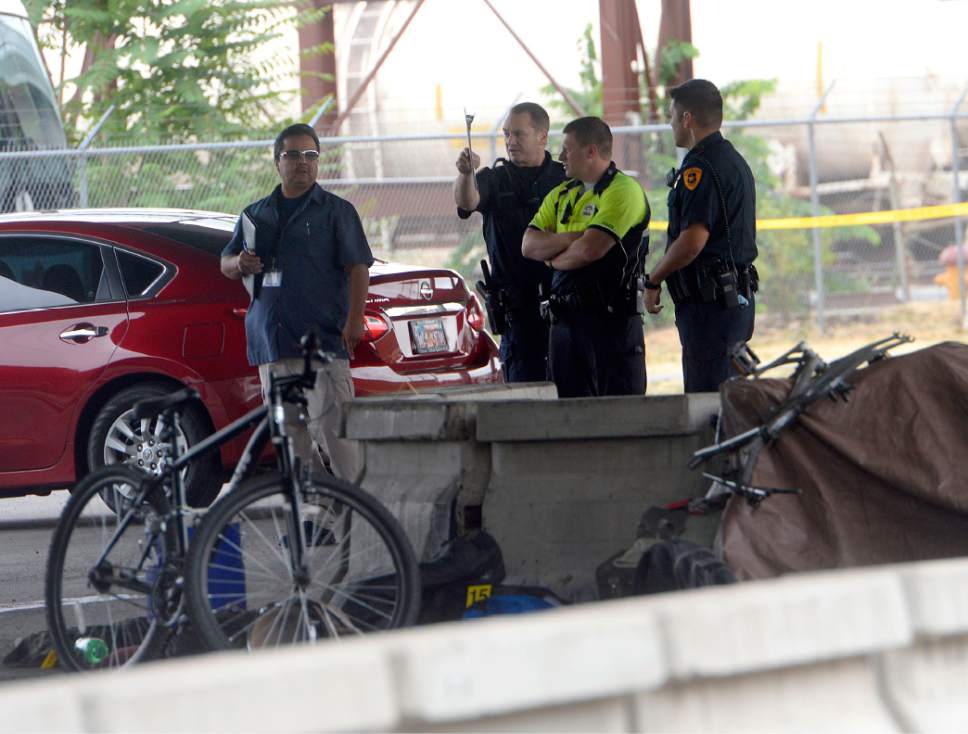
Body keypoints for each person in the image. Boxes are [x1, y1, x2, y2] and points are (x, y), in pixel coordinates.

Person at [221, 123, 373, 482]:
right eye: (292, 154)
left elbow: (358, 268)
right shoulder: (255, 214)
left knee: (338, 438)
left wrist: (354, 322)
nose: (302, 162)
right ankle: (319, 519)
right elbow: (225, 263)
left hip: (321, 344)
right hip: (271, 344)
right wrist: (239, 263)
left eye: (310, 155)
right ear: (277, 163)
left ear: (318, 162)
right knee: (292, 443)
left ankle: (363, 522)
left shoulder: (337, 212)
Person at [643, 79, 758, 394]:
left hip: (711, 310)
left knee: (708, 401)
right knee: (729, 396)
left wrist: (654, 279)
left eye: (671, 116)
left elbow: (692, 241)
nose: (670, 124)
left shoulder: (701, 168)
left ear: (687, 119)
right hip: (729, 302)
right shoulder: (731, 160)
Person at [522, 116, 650, 398]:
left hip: (610, 324)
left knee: (619, 416)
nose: (560, 156)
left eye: (567, 149)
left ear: (591, 151)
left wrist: (554, 259)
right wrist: (572, 237)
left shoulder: (623, 190)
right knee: (568, 417)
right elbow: (529, 246)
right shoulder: (562, 193)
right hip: (565, 325)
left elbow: (591, 249)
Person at [455, 102, 566, 382]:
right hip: (518, 312)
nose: (510, 141)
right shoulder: (496, 178)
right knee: (524, 398)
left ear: (543, 136)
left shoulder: (564, 178)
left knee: (571, 393)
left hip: (564, 307)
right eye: (506, 134)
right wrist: (466, 174)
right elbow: (467, 201)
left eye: (519, 134)